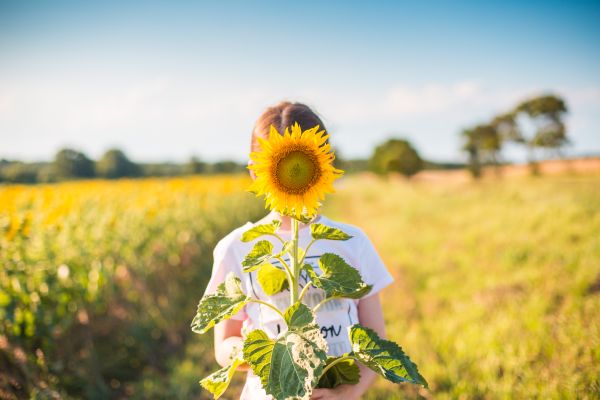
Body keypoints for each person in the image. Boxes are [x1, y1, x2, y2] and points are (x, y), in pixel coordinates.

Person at [204, 101, 395, 400]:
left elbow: (376, 342)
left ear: (325, 164)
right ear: (256, 171)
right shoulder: (237, 247)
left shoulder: (352, 242)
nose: (294, 171)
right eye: (279, 163)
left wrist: (346, 394)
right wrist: (263, 352)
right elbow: (223, 344)